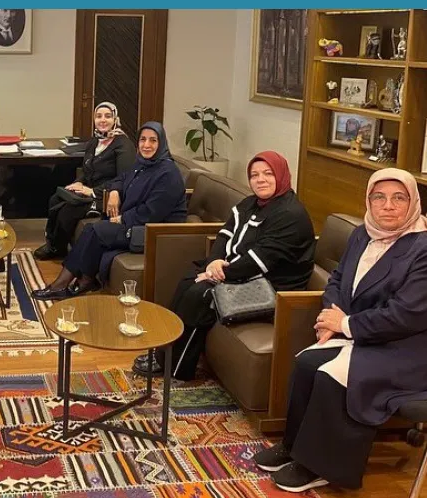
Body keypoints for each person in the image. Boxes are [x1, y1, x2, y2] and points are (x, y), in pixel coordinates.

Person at [252, 168, 427, 493]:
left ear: (413, 203)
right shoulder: (363, 234)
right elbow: (338, 281)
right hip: (374, 331)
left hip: (420, 346)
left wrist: (345, 325)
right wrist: (330, 317)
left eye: (399, 198)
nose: (388, 206)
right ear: (368, 201)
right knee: (307, 361)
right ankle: (293, 445)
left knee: (335, 375)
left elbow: (405, 316)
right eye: (379, 197)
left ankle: (321, 465)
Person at [133, 151, 315, 380]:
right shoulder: (251, 203)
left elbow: (259, 261)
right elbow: (225, 234)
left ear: (281, 175)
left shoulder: (290, 214)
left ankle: (177, 368)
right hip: (245, 273)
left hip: (272, 290)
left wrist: (219, 274)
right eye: (255, 175)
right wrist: (213, 263)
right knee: (189, 278)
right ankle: (164, 352)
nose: (261, 180)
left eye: (268, 174)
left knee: (201, 294)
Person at [33, 122, 186, 300]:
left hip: (152, 231)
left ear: (162, 143)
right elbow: (121, 178)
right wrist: (114, 192)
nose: (146, 145)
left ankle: (63, 284)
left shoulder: (168, 174)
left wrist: (122, 219)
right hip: (137, 223)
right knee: (91, 229)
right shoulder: (142, 164)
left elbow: (152, 212)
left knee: (96, 230)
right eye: (143, 139)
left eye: (153, 140)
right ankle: (83, 280)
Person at [34, 102, 135, 260]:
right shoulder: (94, 141)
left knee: (68, 210)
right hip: (89, 191)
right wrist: (79, 182)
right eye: (98, 116)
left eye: (108, 116)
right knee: (56, 199)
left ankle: (57, 248)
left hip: (107, 196)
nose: (103, 120)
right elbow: (87, 168)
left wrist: (93, 191)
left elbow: (124, 178)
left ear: (115, 119)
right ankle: (53, 243)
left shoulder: (123, 144)